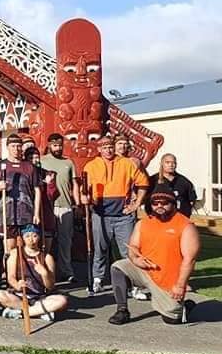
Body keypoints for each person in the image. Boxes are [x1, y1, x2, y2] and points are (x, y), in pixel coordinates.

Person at [108, 184, 199, 325]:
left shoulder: (186, 225)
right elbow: (133, 247)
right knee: (117, 267)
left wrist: (180, 286)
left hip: (168, 281)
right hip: (144, 270)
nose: (159, 206)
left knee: (172, 320)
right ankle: (122, 310)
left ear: (173, 204)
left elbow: (190, 260)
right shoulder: (143, 223)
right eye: (155, 203)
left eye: (164, 203)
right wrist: (135, 259)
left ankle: (184, 307)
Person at [81, 135, 149, 293]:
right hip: (100, 214)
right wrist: (85, 198)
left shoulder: (126, 163)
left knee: (129, 251)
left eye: (110, 147)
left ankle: (135, 284)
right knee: (99, 248)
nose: (108, 150)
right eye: (104, 147)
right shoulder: (91, 166)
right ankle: (97, 279)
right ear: (99, 149)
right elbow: (84, 189)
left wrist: (137, 203)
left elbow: (143, 182)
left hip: (123, 216)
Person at [0, 225, 68, 321]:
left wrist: (45, 274)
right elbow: (11, 277)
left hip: (39, 298)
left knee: (62, 301)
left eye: (34, 236)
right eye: (27, 236)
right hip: (19, 297)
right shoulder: (15, 253)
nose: (31, 239)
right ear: (22, 238)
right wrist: (17, 285)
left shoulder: (47, 257)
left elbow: (50, 286)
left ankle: (22, 313)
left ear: (39, 237)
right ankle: (39, 312)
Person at [0, 134, 41, 254]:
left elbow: (37, 191)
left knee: (26, 247)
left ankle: (24, 272)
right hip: (6, 214)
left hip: (27, 213)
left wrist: (36, 213)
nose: (16, 149)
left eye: (19, 146)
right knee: (9, 249)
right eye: (13, 146)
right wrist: (0, 188)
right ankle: (9, 272)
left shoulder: (29, 167)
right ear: (7, 147)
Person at [40, 133, 77, 282]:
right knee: (45, 241)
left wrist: (77, 204)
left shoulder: (68, 162)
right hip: (48, 206)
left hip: (65, 205)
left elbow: (74, 185)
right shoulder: (42, 161)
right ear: (49, 145)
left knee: (65, 240)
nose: (58, 148)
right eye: (55, 145)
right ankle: (44, 272)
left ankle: (67, 271)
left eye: (60, 145)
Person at [25, 146, 58, 253]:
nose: (34, 160)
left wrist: (50, 184)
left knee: (46, 249)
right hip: (29, 214)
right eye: (31, 158)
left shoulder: (46, 173)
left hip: (45, 213)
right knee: (31, 246)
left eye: (36, 157)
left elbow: (53, 195)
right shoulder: (23, 174)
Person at [146, 153, 197, 218]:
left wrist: (186, 214)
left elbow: (192, 200)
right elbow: (146, 199)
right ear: (161, 164)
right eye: (167, 162)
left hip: (180, 219)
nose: (171, 165)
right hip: (158, 219)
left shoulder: (184, 181)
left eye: (174, 163)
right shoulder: (152, 181)